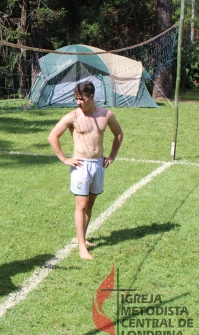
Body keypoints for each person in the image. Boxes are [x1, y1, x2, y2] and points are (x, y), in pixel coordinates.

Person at [47, 81, 123, 260]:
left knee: (90, 204)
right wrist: (65, 159)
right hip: (80, 166)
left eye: (81, 99)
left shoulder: (106, 115)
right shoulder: (72, 116)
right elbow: (52, 136)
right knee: (81, 205)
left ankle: (83, 238)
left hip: (98, 165)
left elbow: (118, 134)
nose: (78, 102)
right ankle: (82, 247)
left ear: (92, 97)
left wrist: (112, 156)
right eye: (76, 99)